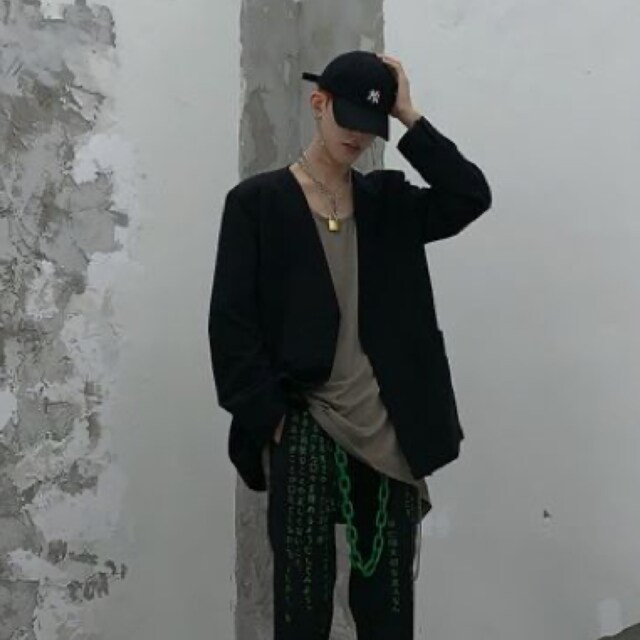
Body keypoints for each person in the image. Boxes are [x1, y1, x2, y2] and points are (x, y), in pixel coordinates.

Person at [208, 49, 492, 639]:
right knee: (302, 611)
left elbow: (470, 196)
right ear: (319, 104)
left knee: (388, 611)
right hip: (304, 425)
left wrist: (410, 116)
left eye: (372, 127)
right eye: (349, 121)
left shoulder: (389, 203)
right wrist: (272, 420)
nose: (359, 138)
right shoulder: (257, 204)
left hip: (388, 430)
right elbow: (231, 326)